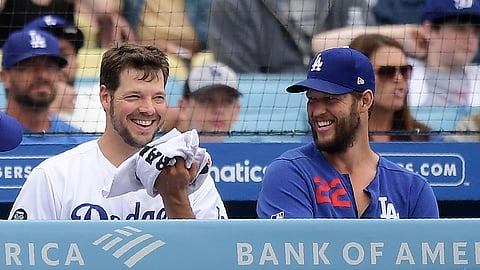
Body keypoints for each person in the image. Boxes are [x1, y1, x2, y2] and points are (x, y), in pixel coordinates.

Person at [9, 43, 228, 220]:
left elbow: (214, 258)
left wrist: (177, 197)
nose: (148, 109)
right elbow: (19, 256)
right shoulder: (54, 177)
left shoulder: (192, 176)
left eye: (158, 98)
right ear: (105, 97)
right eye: (134, 96)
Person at [256, 47, 439, 219]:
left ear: (365, 101)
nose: (317, 111)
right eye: (312, 99)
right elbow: (296, 251)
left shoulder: (412, 189)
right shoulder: (290, 174)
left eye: (330, 98)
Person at [207, 0, 374, 73]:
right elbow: (243, 79)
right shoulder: (230, 3)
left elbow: (370, 52)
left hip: (338, 94)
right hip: (270, 107)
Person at [348, 33, 433, 141]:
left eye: (404, 70)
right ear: (359, 78)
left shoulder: (425, 138)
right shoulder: (337, 140)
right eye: (387, 72)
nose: (399, 78)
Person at [0, 29, 83, 134]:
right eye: (30, 66)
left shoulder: (76, 140)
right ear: (5, 77)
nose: (43, 75)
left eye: (50, 66)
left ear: (59, 75)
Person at [23, 15, 85, 120]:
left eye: (63, 54)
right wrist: (52, 109)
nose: (56, 65)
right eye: (45, 57)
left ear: (76, 62)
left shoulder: (101, 104)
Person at [164, 62, 241, 142]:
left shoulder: (249, 151)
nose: (219, 110)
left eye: (228, 102)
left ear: (237, 109)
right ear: (183, 107)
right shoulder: (163, 151)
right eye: (207, 101)